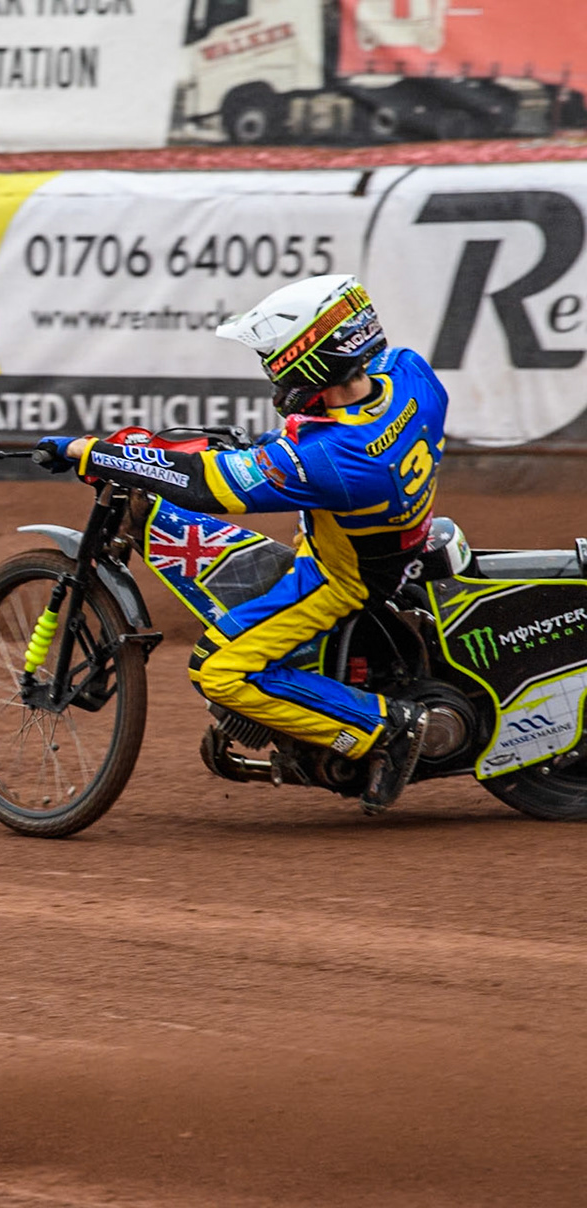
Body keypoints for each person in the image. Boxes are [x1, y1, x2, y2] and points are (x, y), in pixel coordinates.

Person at [33, 274, 448, 814]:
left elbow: (203, 485)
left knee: (218, 669)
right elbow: (336, 429)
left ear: (312, 360)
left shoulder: (331, 460)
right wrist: (275, 443)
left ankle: (382, 730)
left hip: (339, 580)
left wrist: (89, 451)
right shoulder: (411, 374)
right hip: (397, 537)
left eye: (274, 358)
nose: (270, 370)